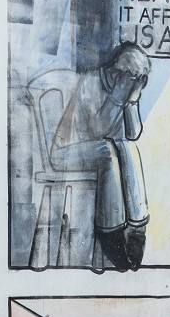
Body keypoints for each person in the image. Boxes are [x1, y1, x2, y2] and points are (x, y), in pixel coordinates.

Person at [50, 42, 152, 271]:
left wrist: (132, 100)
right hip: (67, 151)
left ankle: (137, 228)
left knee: (128, 148)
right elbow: (97, 131)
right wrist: (117, 96)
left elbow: (133, 134)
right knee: (108, 152)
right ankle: (112, 237)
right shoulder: (90, 82)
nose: (132, 83)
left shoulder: (126, 91)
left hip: (102, 151)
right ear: (118, 71)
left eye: (138, 79)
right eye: (130, 77)